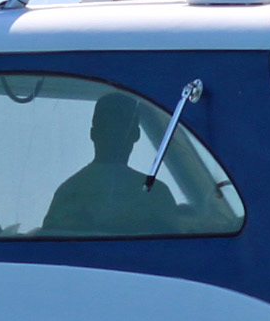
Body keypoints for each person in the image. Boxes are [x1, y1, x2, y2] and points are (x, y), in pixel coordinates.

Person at [40, 96, 180, 237]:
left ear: (93, 133)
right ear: (135, 135)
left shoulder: (69, 192)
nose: (113, 134)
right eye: (109, 127)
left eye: (119, 128)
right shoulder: (156, 194)